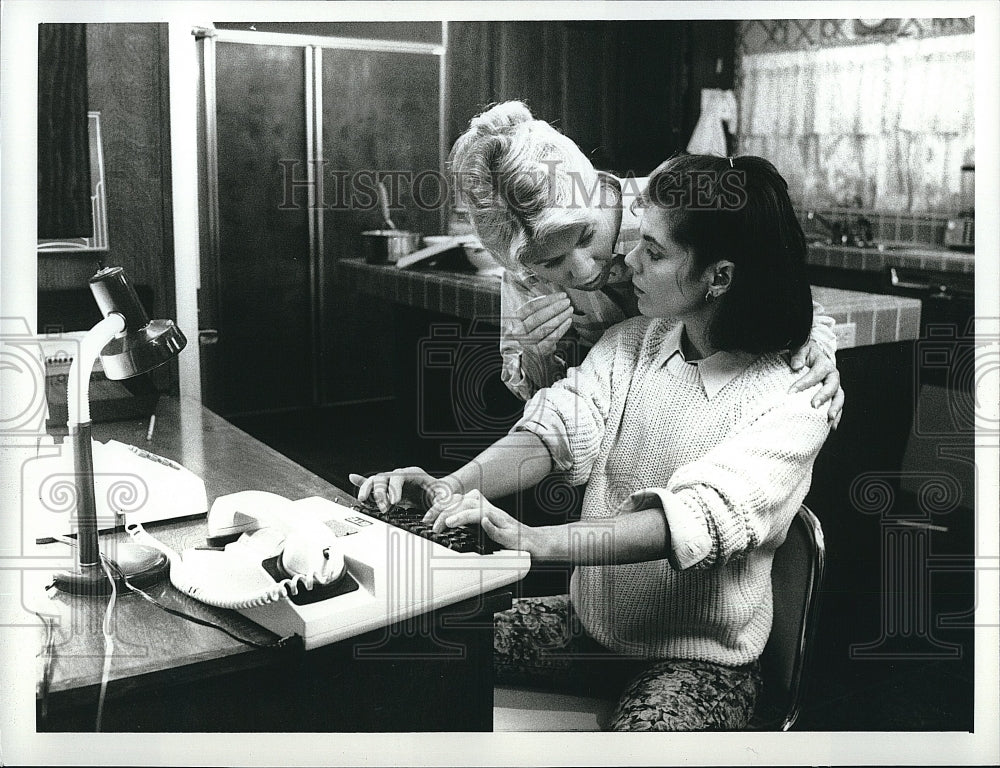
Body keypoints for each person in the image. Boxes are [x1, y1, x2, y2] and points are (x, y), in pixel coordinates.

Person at [354, 153, 833, 730]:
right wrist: (450, 485)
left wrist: (535, 540)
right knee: (410, 641)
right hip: (588, 628)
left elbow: (694, 518)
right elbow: (552, 429)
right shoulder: (635, 341)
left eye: (653, 252)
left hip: (697, 661)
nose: (625, 261)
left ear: (720, 277)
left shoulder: (794, 397)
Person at [449, 101, 844, 427]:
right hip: (597, 433)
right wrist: (536, 354)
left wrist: (812, 349)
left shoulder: (664, 207)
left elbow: (778, 287)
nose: (585, 271)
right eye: (552, 264)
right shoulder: (522, 271)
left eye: (587, 237)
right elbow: (544, 412)